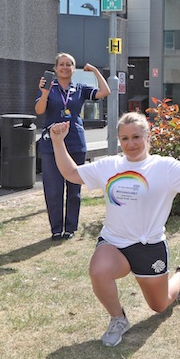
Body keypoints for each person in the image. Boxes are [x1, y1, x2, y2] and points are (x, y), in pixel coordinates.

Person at [49, 112, 180, 347]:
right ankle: (118, 319)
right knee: (98, 271)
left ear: (148, 136)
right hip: (114, 242)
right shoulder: (110, 165)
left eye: (136, 136)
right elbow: (71, 173)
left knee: (159, 305)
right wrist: (58, 141)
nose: (131, 144)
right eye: (124, 139)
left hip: (149, 247)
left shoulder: (164, 167)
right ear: (119, 139)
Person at [35, 53, 110, 240]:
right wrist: (44, 94)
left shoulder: (80, 88)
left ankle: (70, 227)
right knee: (53, 188)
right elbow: (39, 110)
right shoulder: (48, 88)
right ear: (55, 68)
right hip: (51, 143)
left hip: (75, 141)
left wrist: (94, 71)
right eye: (61, 64)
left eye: (69, 64)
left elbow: (104, 91)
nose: (65, 67)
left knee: (74, 187)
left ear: (73, 68)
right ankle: (56, 229)